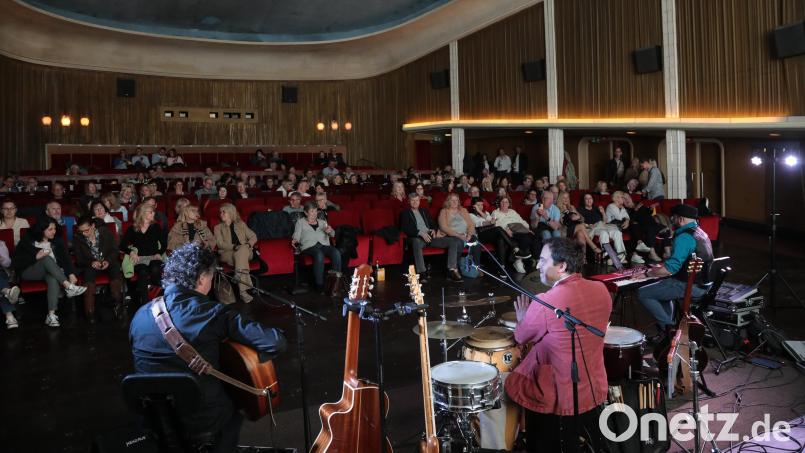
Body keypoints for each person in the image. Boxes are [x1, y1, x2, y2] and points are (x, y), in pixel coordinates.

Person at [129, 242, 286, 453]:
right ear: (202, 278)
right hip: (203, 424)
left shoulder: (140, 315)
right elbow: (274, 342)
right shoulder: (213, 313)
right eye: (211, 278)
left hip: (155, 422)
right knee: (234, 407)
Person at [506, 238, 611, 453]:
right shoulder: (602, 290)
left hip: (558, 392)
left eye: (543, 261)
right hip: (593, 385)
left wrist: (522, 318)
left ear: (561, 266)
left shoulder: (546, 300)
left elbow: (521, 336)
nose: (537, 266)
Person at [637, 204, 713, 338]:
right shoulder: (702, 233)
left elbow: (670, 269)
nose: (672, 221)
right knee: (662, 291)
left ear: (681, 219)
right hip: (704, 284)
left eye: (674, 218)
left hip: (688, 285)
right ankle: (668, 326)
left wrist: (646, 274)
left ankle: (670, 330)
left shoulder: (684, 237)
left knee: (643, 293)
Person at [12, 220, 87, 327]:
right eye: (50, 229)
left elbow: (66, 259)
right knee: (46, 258)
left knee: (52, 278)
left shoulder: (57, 241)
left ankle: (51, 315)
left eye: (55, 229)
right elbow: (16, 262)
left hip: (51, 272)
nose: (54, 232)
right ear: (41, 230)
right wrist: (35, 257)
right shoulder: (28, 241)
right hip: (29, 272)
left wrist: (71, 273)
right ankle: (69, 287)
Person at [400, 193, 464, 282]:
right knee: (416, 242)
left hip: (430, 237)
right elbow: (405, 228)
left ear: (419, 201)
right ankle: (421, 272)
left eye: (417, 200)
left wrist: (434, 229)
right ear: (409, 202)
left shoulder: (424, 211)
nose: (415, 202)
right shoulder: (405, 213)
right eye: (412, 200)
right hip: (418, 238)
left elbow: (432, 223)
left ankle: (451, 270)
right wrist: (420, 233)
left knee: (453, 241)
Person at [73, 218, 124, 322]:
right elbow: (79, 260)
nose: (84, 233)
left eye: (86, 230)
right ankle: (90, 311)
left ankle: (118, 306)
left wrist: (107, 261)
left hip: (107, 261)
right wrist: (91, 263)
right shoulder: (78, 238)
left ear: (93, 226)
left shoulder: (105, 232)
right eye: (81, 231)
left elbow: (114, 251)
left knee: (115, 270)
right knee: (88, 274)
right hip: (90, 265)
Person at [120, 203, 165, 306]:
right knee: (143, 271)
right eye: (151, 212)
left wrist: (159, 252)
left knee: (155, 268)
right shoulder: (133, 228)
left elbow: (164, 243)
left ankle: (154, 294)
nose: (154, 213)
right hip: (139, 258)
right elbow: (122, 245)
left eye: (153, 212)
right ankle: (145, 303)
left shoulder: (156, 227)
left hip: (154, 256)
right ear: (142, 214)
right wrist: (131, 252)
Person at [292, 202, 342, 293]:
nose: (315, 213)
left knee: (336, 252)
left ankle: (335, 283)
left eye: (316, 211)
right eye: (312, 211)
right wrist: (295, 240)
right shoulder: (300, 222)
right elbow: (296, 236)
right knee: (319, 254)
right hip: (308, 246)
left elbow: (333, 234)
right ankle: (319, 285)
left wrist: (330, 231)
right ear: (306, 212)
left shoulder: (323, 222)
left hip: (323, 245)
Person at [214, 203, 257, 304]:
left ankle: (239, 274)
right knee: (240, 254)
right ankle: (243, 291)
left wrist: (247, 245)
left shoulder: (241, 224)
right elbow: (220, 244)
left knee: (241, 251)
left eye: (224, 212)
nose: (221, 214)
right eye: (220, 212)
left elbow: (253, 236)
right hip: (228, 254)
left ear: (231, 212)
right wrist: (234, 247)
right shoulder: (218, 227)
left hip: (245, 251)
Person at [492, 196, 541, 273]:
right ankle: (518, 261)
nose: (504, 203)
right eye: (502, 202)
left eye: (506, 202)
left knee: (534, 235)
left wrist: (527, 229)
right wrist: (505, 231)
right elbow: (495, 225)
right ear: (499, 203)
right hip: (508, 232)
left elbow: (521, 221)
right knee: (525, 238)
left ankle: (537, 259)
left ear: (509, 204)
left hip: (519, 229)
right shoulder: (495, 212)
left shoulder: (512, 212)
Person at [438, 193, 481, 276]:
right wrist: (459, 235)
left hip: (465, 235)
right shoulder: (444, 211)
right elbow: (443, 227)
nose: (454, 202)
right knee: (458, 243)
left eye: (456, 200)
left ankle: (476, 267)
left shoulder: (463, 210)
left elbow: (471, 224)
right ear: (448, 201)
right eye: (452, 200)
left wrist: (469, 234)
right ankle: (456, 268)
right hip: (452, 236)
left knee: (476, 243)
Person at [578, 193, 626, 262]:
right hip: (592, 228)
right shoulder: (580, 209)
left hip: (602, 226)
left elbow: (605, 221)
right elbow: (579, 222)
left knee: (617, 232)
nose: (589, 200)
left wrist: (603, 212)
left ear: (593, 200)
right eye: (586, 199)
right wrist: (587, 225)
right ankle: (606, 256)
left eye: (590, 198)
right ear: (583, 201)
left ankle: (621, 256)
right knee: (603, 233)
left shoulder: (596, 208)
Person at [556, 192, 601, 260]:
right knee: (581, 226)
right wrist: (571, 217)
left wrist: (578, 217)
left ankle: (583, 259)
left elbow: (582, 219)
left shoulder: (571, 207)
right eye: (563, 198)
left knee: (581, 234)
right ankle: (594, 247)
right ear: (560, 199)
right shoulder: (557, 208)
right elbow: (562, 222)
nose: (566, 199)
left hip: (575, 228)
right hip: (565, 230)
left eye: (567, 197)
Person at [0, 238, 21, 329]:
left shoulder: (1, 244)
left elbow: (8, 264)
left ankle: (7, 292)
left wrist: (2, 259)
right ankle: (9, 316)